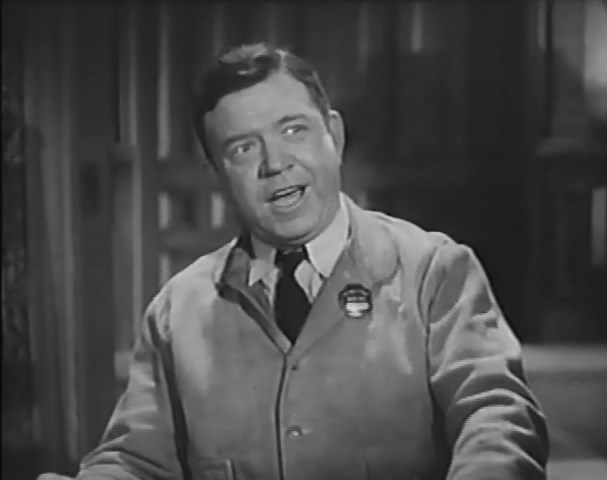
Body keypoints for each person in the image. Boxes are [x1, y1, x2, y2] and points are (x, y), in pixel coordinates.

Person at [37, 42, 549, 480]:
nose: (275, 164)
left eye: (292, 131)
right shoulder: (178, 311)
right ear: (217, 173)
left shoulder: (434, 272)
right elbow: (134, 460)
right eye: (243, 149)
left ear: (335, 137)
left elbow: (497, 418)